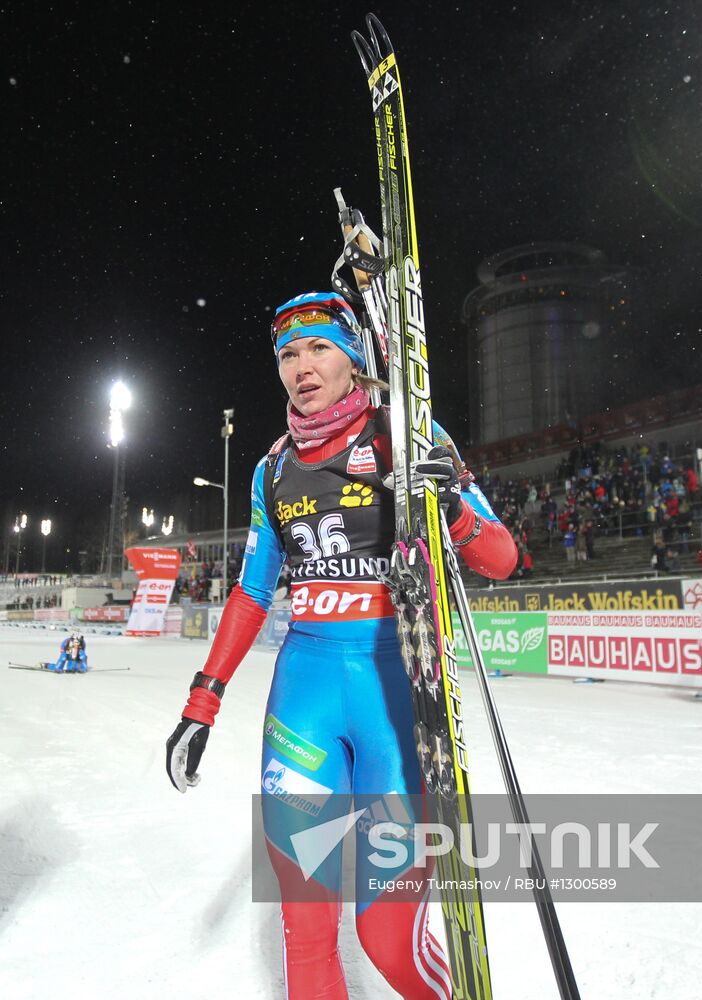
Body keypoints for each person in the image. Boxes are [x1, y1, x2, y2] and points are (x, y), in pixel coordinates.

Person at [164, 291, 517, 1000]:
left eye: (320, 347)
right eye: (288, 354)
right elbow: (252, 593)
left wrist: (451, 508)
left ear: (355, 357)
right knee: (307, 931)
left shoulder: (410, 434)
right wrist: (202, 704)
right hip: (304, 703)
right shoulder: (270, 472)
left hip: (399, 702)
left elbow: (502, 559)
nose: (302, 366)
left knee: (385, 937)